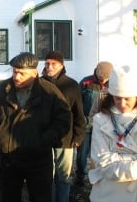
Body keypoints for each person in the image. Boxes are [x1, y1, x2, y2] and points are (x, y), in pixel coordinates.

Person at [0, 52, 72, 202]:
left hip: (39, 160)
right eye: (14, 72)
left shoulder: (49, 92)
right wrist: (0, 135)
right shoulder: (1, 90)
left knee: (41, 198)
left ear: (34, 73)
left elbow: (63, 120)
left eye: (21, 73)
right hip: (9, 159)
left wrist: (44, 140)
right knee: (9, 197)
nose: (16, 77)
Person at [89, 65, 137, 202]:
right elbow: (103, 162)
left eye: (127, 98)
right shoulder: (101, 119)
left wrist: (120, 158)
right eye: (117, 98)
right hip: (112, 193)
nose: (122, 103)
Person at [41, 51, 86, 202]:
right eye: (47, 63)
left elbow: (79, 112)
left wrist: (79, 136)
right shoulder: (38, 84)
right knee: (47, 176)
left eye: (54, 63)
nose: (50, 67)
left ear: (61, 65)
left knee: (64, 176)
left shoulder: (71, 85)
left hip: (65, 139)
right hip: (43, 138)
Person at [75, 61, 113, 186]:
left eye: (106, 78)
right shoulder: (86, 82)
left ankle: (98, 178)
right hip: (86, 124)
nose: (103, 80)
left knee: (99, 154)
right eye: (101, 77)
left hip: (104, 126)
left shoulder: (113, 85)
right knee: (82, 154)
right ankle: (80, 176)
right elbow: (77, 103)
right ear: (96, 71)